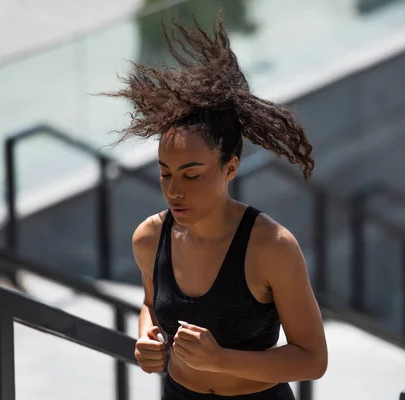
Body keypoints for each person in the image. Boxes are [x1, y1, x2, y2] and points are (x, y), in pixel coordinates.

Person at [104, 13, 328, 400]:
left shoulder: (271, 246)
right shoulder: (150, 237)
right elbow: (151, 302)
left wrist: (221, 360)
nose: (174, 190)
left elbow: (312, 359)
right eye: (165, 173)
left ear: (230, 167)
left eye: (191, 175)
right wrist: (147, 337)